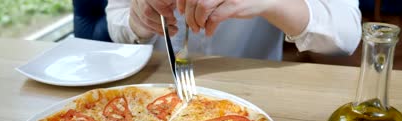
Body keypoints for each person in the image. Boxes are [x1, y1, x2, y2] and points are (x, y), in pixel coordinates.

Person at [105, 0, 361, 60]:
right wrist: (139, 21)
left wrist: (271, 3)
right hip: (154, 91)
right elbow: (117, 20)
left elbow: (346, 36)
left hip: (254, 100)